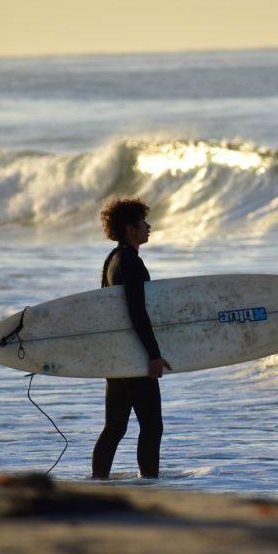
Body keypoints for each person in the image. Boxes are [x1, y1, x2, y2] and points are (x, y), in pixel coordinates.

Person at [91, 198, 172, 479]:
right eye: (143, 223)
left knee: (115, 427)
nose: (148, 227)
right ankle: (149, 482)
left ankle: (98, 481)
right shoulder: (131, 263)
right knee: (152, 425)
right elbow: (136, 312)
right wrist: (153, 355)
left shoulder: (112, 260)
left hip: (117, 356)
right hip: (133, 355)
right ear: (130, 229)